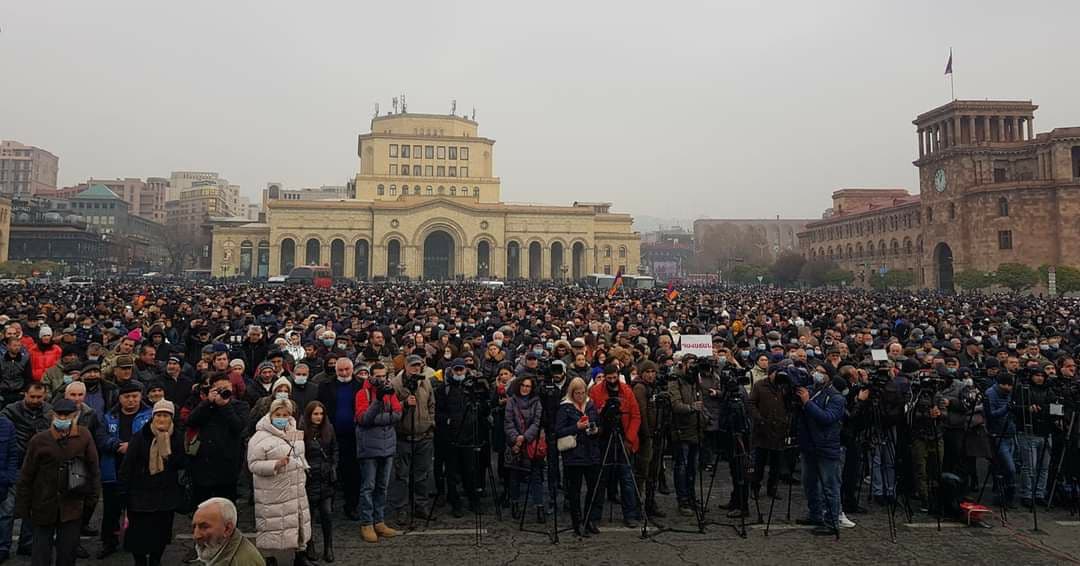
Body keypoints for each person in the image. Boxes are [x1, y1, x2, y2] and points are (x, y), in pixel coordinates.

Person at [16, 398, 100, 566]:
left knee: (67, 554)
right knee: (40, 554)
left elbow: (93, 469)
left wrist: (91, 500)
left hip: (72, 504)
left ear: (75, 415)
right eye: (59, 415)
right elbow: (27, 475)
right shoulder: (39, 440)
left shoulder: (84, 436)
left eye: (67, 415)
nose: (63, 418)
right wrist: (24, 508)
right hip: (43, 503)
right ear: (52, 416)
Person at [247, 398, 313, 566]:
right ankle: (270, 558)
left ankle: (300, 555)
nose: (282, 417)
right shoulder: (259, 437)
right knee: (271, 525)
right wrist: (275, 464)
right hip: (272, 490)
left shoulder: (295, 433)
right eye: (278, 414)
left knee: (298, 522)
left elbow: (300, 455)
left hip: (295, 488)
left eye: (285, 414)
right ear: (271, 415)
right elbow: (253, 465)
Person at [119, 400, 186, 566]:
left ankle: (156, 560)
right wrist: (123, 493)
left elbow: (181, 463)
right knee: (138, 536)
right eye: (158, 415)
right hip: (140, 496)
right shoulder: (140, 436)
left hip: (165, 496)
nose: (161, 419)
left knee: (161, 534)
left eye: (165, 415)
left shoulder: (176, 436)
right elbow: (127, 466)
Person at [98, 380, 153, 558]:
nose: (131, 400)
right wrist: (117, 445)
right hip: (113, 469)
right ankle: (109, 542)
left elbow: (155, 437)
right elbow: (100, 438)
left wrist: (134, 446)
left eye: (134, 396)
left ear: (140, 396)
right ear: (120, 398)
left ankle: (137, 541)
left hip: (140, 471)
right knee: (111, 510)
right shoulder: (108, 416)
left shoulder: (150, 415)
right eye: (127, 396)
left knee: (139, 509)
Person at [0, 383, 52, 560]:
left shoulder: (49, 411)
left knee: (33, 508)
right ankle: (3, 547)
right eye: (33, 397)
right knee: (7, 510)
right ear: (25, 394)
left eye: (40, 397)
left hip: (39, 466)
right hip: (16, 464)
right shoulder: (10, 411)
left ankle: (27, 544)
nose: (36, 400)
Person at [588, 364, 642, 528]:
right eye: (608, 378)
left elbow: (636, 416)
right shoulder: (596, 391)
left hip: (623, 438)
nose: (612, 381)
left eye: (614, 378)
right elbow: (591, 413)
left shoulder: (626, 390)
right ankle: (595, 515)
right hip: (603, 439)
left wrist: (629, 439)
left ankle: (630, 514)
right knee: (600, 478)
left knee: (626, 478)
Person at [795, 367, 848, 535]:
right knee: (809, 483)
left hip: (826, 447)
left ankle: (832, 522)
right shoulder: (812, 391)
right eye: (815, 370)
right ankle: (815, 514)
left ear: (829, 376)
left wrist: (807, 402)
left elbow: (827, 418)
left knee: (830, 487)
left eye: (820, 371)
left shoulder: (836, 397)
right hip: (808, 445)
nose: (816, 374)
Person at [354, 363, 402, 543]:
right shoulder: (362, 393)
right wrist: (378, 402)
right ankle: (366, 522)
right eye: (377, 376)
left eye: (383, 375)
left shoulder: (390, 391)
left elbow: (398, 414)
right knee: (368, 487)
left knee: (382, 486)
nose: (381, 379)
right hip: (369, 447)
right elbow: (363, 419)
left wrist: (379, 419)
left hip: (387, 446)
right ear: (370, 376)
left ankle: (379, 520)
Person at [188, 373, 247, 505]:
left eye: (226, 388)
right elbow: (191, 421)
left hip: (228, 465)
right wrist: (208, 402)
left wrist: (225, 406)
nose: (224, 391)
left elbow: (238, 427)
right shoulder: (205, 405)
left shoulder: (240, 406)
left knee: (226, 506)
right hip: (204, 466)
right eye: (219, 389)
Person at [389, 358, 436, 523]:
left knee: (422, 474)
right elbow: (390, 408)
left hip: (424, 436)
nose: (416, 368)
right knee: (402, 476)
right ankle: (401, 509)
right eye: (413, 365)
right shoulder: (396, 384)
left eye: (419, 365)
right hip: (403, 437)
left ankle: (421, 506)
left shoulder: (425, 383)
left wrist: (431, 422)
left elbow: (431, 404)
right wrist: (403, 404)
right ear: (406, 366)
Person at [316, 358, 362, 520]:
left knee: (352, 473)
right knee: (328, 473)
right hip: (331, 435)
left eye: (347, 369)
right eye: (340, 370)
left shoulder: (361, 385)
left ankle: (351, 506)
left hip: (354, 436)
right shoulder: (325, 386)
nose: (344, 373)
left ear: (352, 369)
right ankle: (326, 508)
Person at [555, 377, 601, 536]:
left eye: (582, 393)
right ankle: (577, 522)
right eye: (577, 393)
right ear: (572, 393)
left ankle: (589, 519)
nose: (580, 396)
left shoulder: (590, 404)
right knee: (574, 491)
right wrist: (576, 427)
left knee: (593, 489)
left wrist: (595, 430)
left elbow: (597, 422)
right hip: (573, 454)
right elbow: (559, 431)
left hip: (591, 452)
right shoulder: (565, 407)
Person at [504, 375, 545, 521]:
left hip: (531, 443)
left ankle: (539, 506)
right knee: (514, 475)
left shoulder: (537, 402)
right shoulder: (511, 402)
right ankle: (514, 503)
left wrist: (525, 437)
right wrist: (517, 439)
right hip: (514, 443)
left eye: (528, 386)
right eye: (523, 385)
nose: (525, 388)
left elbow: (537, 422)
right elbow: (508, 423)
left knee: (536, 476)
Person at [302, 401, 336, 563]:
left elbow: (335, 449)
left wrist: (333, 466)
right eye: (315, 414)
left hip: (325, 478)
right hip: (309, 479)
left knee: (327, 514)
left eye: (321, 414)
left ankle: (328, 546)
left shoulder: (329, 429)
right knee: (309, 515)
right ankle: (310, 544)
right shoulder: (302, 432)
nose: (319, 417)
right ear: (309, 415)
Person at [630, 360, 664, 518]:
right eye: (647, 372)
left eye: (653, 372)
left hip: (656, 433)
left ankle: (650, 503)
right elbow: (641, 413)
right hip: (646, 435)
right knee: (642, 471)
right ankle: (637, 504)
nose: (651, 375)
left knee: (654, 472)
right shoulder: (639, 388)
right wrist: (645, 434)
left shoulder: (655, 387)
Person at [191, 497, 265, 566]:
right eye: (194, 527)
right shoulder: (220, 551)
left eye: (204, 527)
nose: (196, 536)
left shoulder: (243, 562)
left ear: (227, 529)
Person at [985, 373, 1017, 507]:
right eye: (1007, 385)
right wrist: (1006, 408)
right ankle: (1007, 493)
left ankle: (1005, 497)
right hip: (998, 434)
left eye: (1011, 385)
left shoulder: (1011, 393)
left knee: (1005, 468)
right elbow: (990, 415)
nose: (1009, 388)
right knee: (1010, 468)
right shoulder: (990, 394)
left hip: (1010, 433)